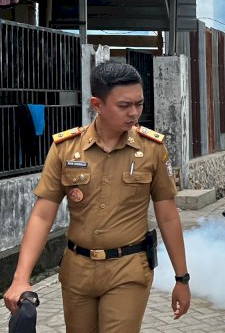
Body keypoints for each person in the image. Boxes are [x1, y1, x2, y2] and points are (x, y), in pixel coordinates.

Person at [3, 61, 191, 332]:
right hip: (76, 272)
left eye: (139, 104)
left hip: (128, 269)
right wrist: (21, 278)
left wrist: (181, 278)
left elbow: (168, 216)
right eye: (124, 106)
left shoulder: (152, 150)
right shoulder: (66, 149)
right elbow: (43, 215)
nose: (134, 113)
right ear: (97, 104)